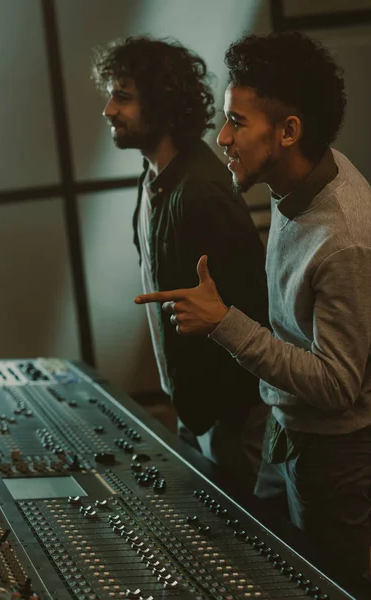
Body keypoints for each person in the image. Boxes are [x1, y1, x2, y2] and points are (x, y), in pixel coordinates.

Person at [134, 31, 371, 579]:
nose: (221, 136)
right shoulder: (295, 182)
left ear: (289, 131)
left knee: (331, 586)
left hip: (331, 453)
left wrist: (224, 323)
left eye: (238, 122)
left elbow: (339, 386)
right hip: (286, 429)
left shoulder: (344, 237)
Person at [92, 36, 269, 490]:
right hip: (198, 411)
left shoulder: (203, 193)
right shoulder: (153, 179)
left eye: (123, 97)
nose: (109, 109)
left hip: (232, 417)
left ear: (163, 105)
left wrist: (222, 420)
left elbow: (251, 315)